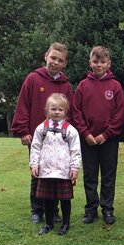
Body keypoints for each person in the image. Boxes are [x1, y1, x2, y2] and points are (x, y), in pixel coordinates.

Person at [11, 43, 73, 225]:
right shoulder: (33, 79)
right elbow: (23, 105)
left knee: (56, 176)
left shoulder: (66, 85)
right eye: (53, 58)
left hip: (60, 140)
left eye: (60, 60)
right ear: (46, 56)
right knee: (37, 174)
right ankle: (37, 210)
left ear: (64, 64)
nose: (55, 62)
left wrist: (70, 135)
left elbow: (70, 112)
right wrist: (23, 131)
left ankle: (53, 211)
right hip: (38, 138)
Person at [72, 46, 124, 225]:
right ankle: (91, 209)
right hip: (87, 140)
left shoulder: (115, 86)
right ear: (90, 63)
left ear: (108, 63)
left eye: (102, 62)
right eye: (96, 62)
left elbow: (120, 114)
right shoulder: (83, 86)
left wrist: (107, 134)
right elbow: (76, 112)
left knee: (109, 175)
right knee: (90, 175)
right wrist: (85, 133)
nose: (99, 65)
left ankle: (107, 209)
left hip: (109, 140)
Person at [29, 93, 82, 236]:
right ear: (47, 110)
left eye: (60, 109)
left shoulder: (70, 130)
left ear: (65, 111)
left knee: (65, 199)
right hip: (46, 170)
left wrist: (75, 168)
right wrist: (34, 165)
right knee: (47, 199)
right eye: (53, 109)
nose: (57, 112)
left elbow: (75, 150)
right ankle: (48, 224)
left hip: (63, 171)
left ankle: (65, 224)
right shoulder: (41, 129)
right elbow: (35, 147)